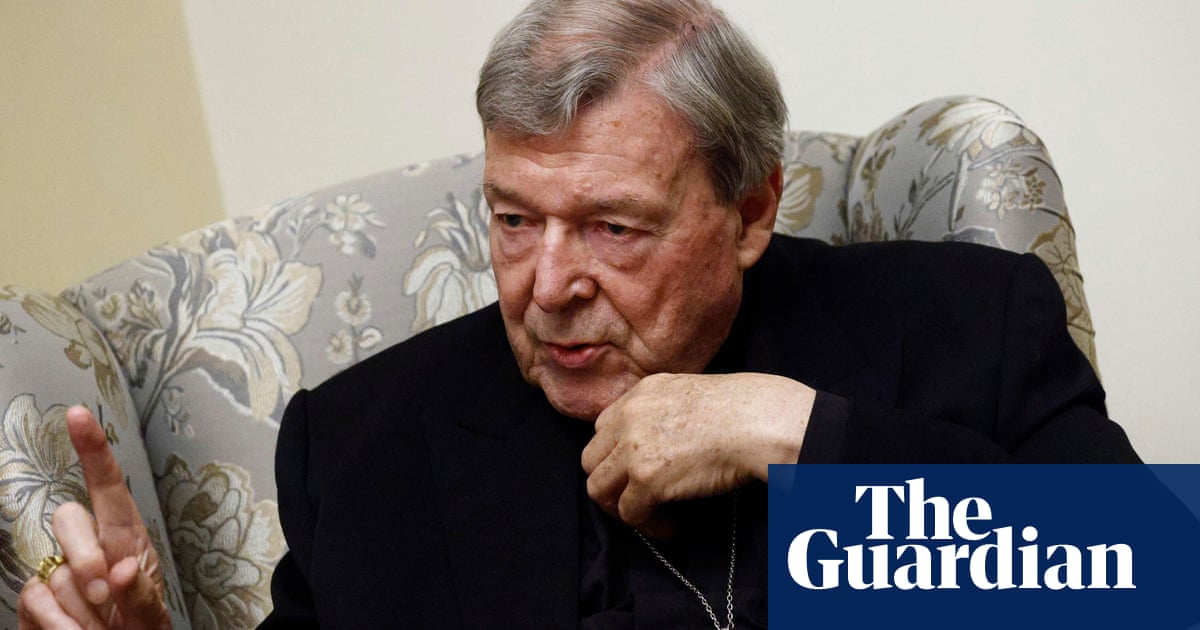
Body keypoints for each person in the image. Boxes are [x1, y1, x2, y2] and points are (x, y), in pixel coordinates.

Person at [17, 0, 1140, 627]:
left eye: (613, 227)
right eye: (514, 219)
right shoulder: (368, 443)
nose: (546, 286)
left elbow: (1141, 579)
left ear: (750, 211)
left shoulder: (957, 326)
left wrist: (796, 434)